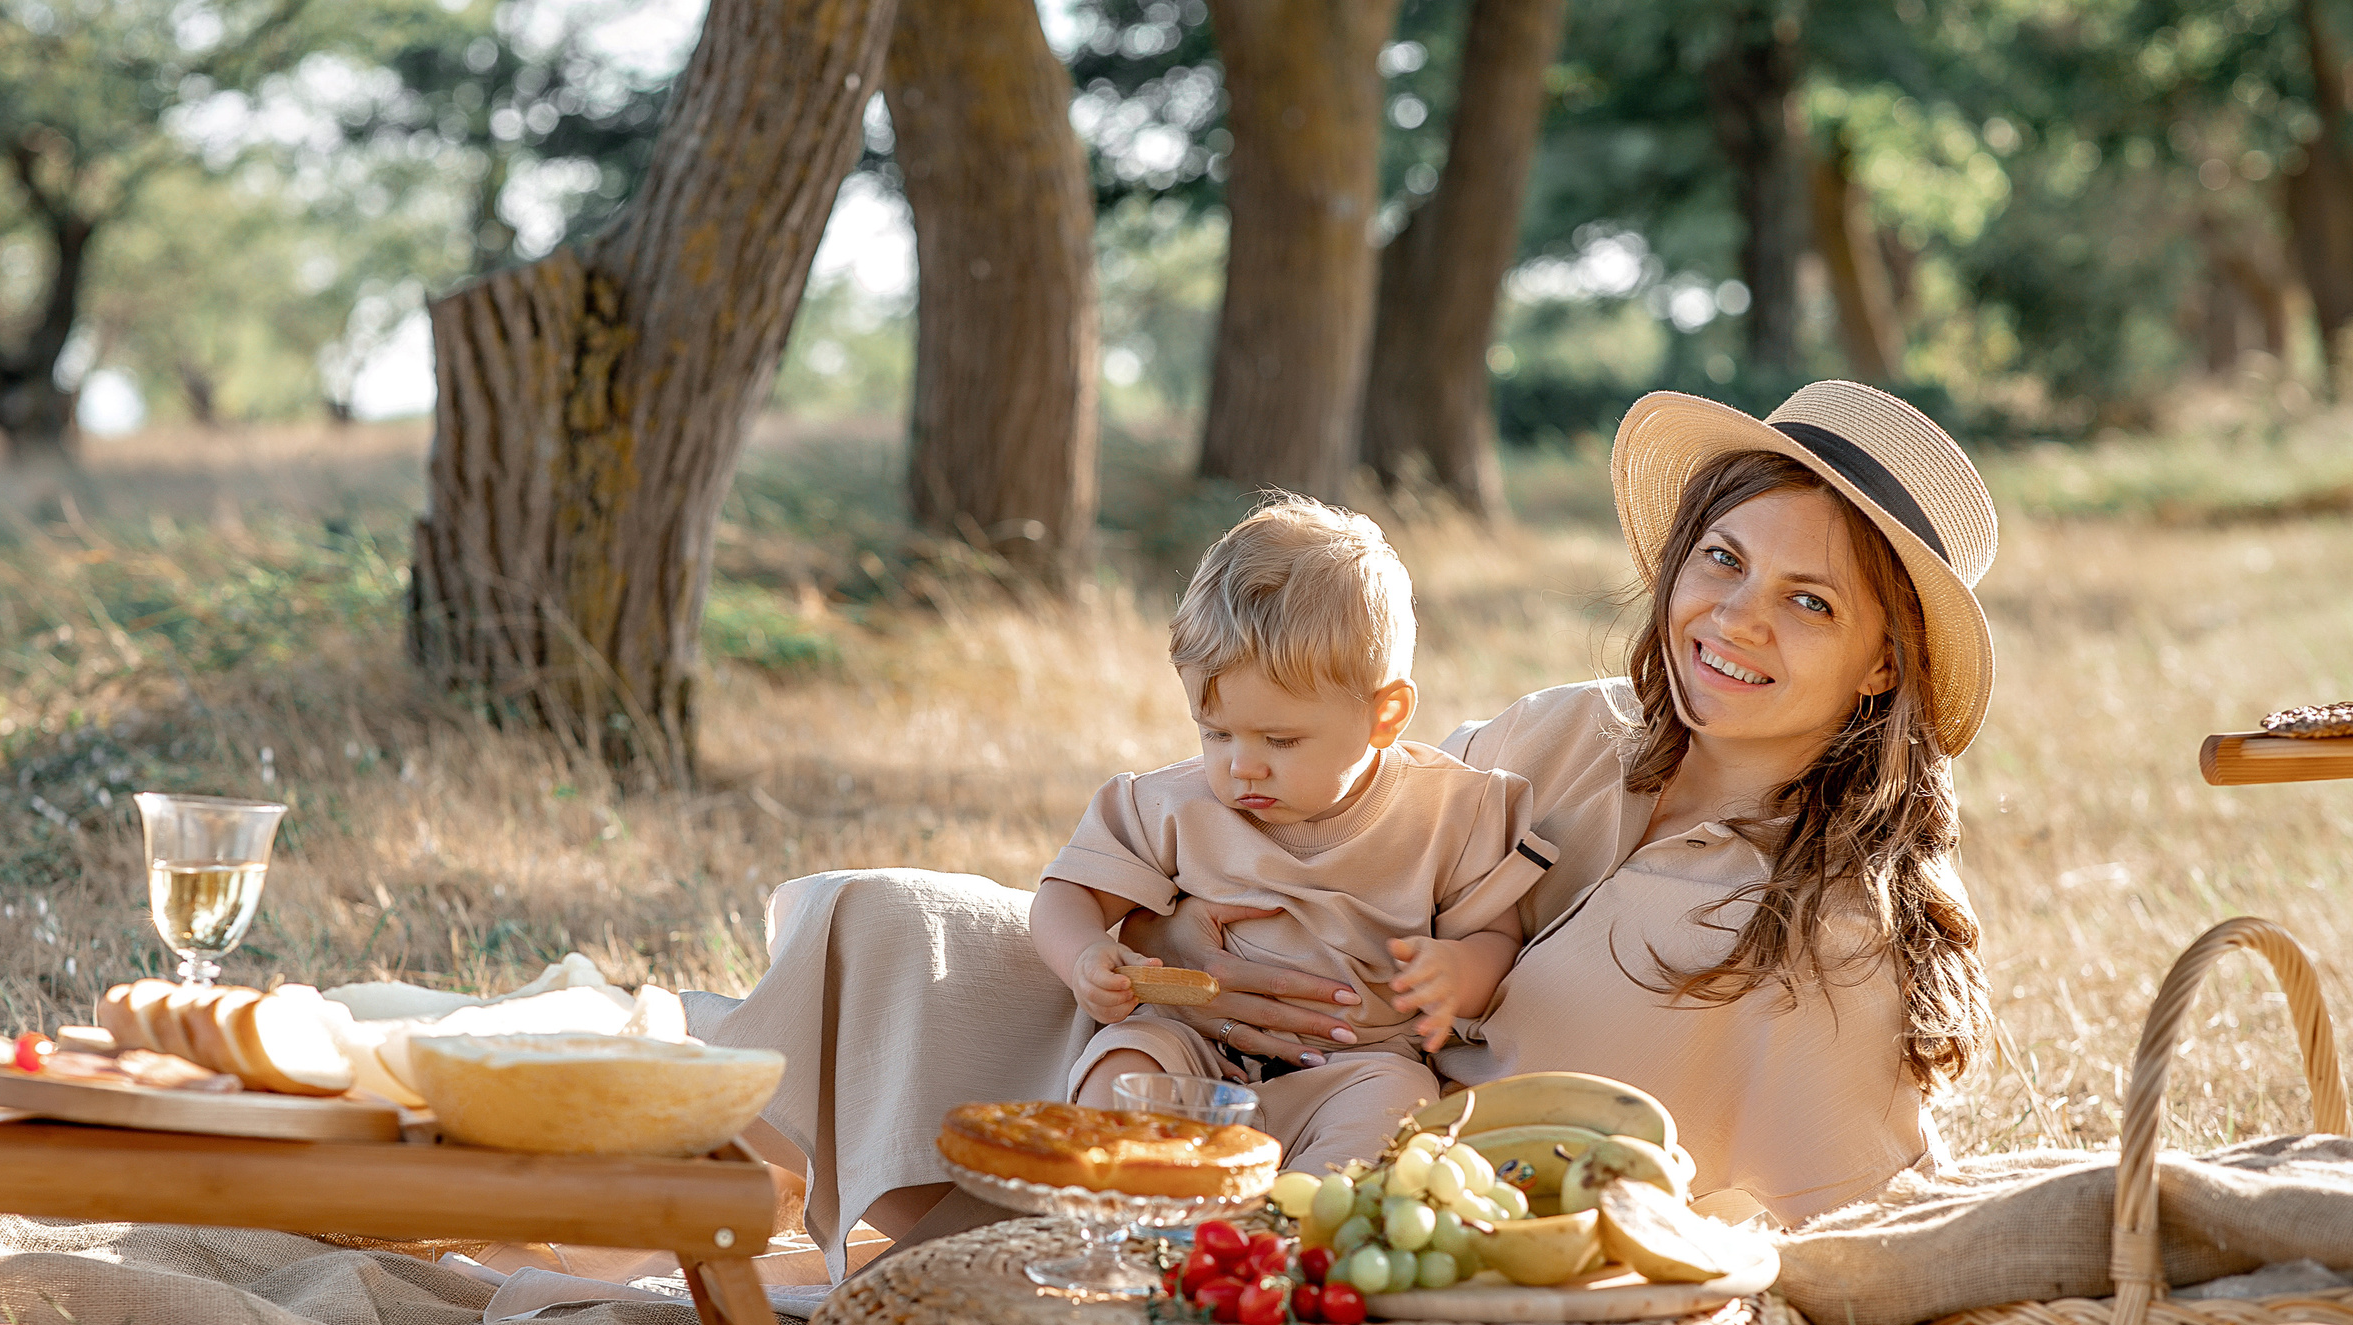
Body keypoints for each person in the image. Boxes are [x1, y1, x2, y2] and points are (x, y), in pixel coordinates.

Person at [682, 380, 1997, 1277]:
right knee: (888, 917)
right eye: (1723, 561)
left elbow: (1868, 1198)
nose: (1739, 618)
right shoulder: (1575, 732)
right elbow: (1334, 800)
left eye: (1811, 601)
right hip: (1202, 1043)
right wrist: (1191, 953)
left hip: (1375, 1189)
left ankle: (1083, 1245)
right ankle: (725, 1181)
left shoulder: (1824, 918)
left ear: (1883, 665)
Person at [1034, 495, 1556, 1174]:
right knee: (1123, 1064)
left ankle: (1295, 1233)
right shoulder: (1172, 803)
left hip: (1357, 1065)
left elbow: (1496, 936)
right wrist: (1080, 957)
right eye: (1215, 732)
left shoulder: (1449, 811)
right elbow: (1065, 893)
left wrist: (1460, 973)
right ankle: (1141, 1213)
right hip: (1196, 1052)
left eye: (1280, 738)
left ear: (1385, 714)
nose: (1240, 765)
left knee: (1400, 1110)